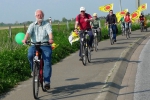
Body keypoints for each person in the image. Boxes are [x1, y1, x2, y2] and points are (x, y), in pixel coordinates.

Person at [22, 9, 53, 90]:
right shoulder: (32, 25)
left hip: (45, 44)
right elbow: (28, 33)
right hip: (34, 45)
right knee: (30, 55)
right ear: (35, 16)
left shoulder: (47, 24)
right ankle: (34, 70)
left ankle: (47, 81)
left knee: (47, 61)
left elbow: (50, 33)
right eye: (38, 15)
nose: (40, 16)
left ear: (43, 16)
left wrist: (50, 39)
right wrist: (25, 39)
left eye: (41, 15)